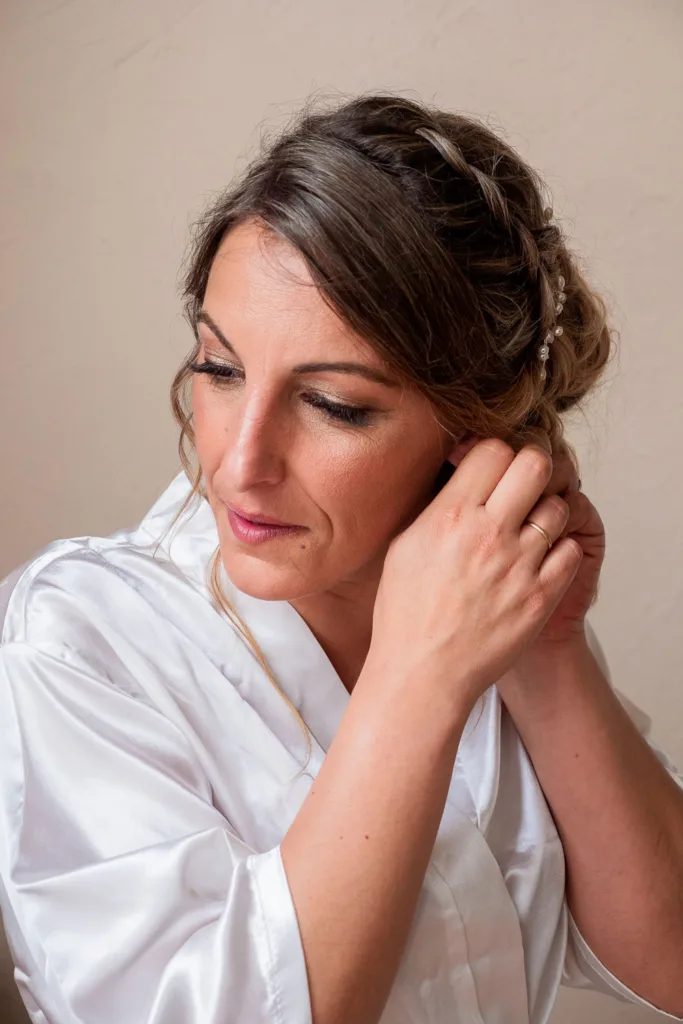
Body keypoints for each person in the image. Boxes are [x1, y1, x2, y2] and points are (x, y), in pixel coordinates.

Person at [1, 92, 682, 1024]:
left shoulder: (486, 602)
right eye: (220, 368)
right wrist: (418, 680)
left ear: (468, 429)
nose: (239, 465)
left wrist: (549, 647)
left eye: (334, 405)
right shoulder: (80, 639)